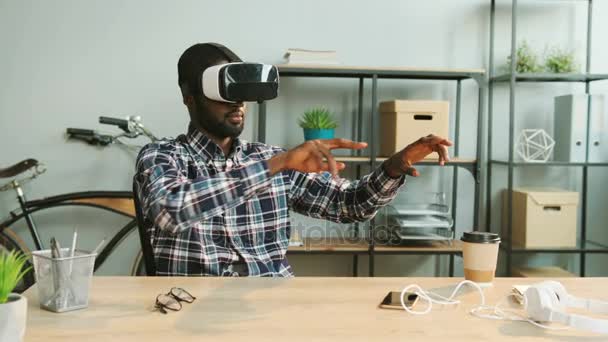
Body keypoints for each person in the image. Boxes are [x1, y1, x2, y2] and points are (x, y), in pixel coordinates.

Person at [133, 43, 452, 277]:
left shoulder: (271, 158)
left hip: (269, 305)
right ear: (189, 97)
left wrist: (392, 168)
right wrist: (275, 166)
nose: (238, 104)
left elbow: (350, 204)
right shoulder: (162, 156)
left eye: (241, 94)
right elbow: (169, 211)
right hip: (191, 308)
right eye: (224, 94)